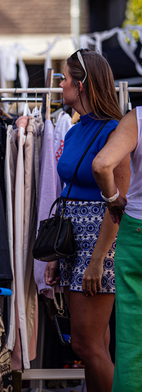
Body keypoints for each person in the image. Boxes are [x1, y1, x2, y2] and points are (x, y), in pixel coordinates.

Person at [44, 48, 130, 392]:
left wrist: (97, 262)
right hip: (72, 242)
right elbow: (66, 190)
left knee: (86, 346)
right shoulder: (75, 130)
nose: (60, 84)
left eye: (64, 77)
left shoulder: (115, 131)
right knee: (95, 343)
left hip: (99, 243)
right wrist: (55, 255)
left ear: (82, 84)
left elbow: (118, 204)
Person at [92, 107, 142, 392]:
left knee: (131, 340)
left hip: (137, 230)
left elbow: (101, 165)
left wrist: (113, 199)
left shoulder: (137, 119)